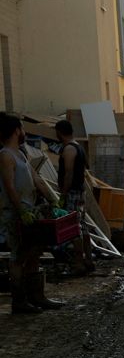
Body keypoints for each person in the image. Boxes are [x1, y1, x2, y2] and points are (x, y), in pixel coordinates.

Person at [0, 113, 63, 314]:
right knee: (19, 256)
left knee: (34, 252)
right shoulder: (5, 155)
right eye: (22, 128)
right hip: (16, 214)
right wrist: (21, 210)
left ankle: (37, 296)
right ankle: (19, 300)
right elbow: (9, 186)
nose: (24, 132)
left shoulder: (21, 154)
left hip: (30, 210)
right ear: (17, 130)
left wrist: (54, 199)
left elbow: (37, 179)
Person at [54, 120, 95, 275]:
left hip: (73, 193)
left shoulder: (69, 149)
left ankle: (79, 263)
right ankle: (88, 260)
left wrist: (63, 194)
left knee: (74, 228)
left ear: (59, 132)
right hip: (80, 192)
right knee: (82, 226)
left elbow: (69, 173)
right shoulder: (78, 146)